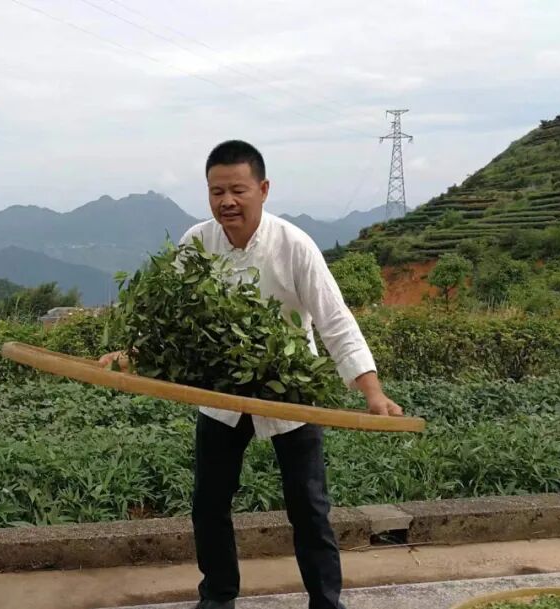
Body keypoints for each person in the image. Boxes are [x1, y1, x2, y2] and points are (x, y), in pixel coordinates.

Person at [100, 140, 403, 609]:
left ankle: (326, 603)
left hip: (290, 389)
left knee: (309, 506)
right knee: (209, 503)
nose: (227, 201)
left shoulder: (294, 245)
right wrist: (134, 354)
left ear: (263, 189)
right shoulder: (197, 242)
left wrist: (373, 393)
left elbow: (335, 321)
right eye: (216, 191)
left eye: (238, 190)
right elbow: (174, 319)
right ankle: (218, 597)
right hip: (221, 389)